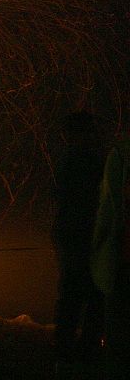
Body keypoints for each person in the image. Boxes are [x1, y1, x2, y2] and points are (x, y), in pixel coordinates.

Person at [52, 110, 104, 363]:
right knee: (91, 295)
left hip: (72, 234)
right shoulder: (91, 161)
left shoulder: (69, 160)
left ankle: (67, 349)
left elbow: (61, 198)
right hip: (85, 236)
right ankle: (83, 349)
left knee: (73, 295)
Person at [92, 130, 130, 376]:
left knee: (119, 335)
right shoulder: (121, 153)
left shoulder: (121, 154)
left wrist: (98, 246)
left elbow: (109, 207)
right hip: (122, 255)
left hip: (123, 257)